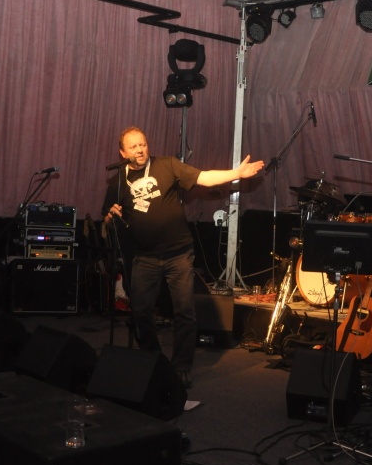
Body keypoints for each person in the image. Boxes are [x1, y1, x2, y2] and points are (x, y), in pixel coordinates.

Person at [102, 126, 265, 388]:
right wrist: (110, 217)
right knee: (141, 314)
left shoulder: (167, 165)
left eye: (143, 144)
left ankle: (181, 367)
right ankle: (154, 362)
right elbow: (107, 220)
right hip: (144, 257)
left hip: (178, 253)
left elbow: (204, 178)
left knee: (184, 312)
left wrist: (236, 173)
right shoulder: (118, 181)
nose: (140, 150)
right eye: (133, 147)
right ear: (122, 153)